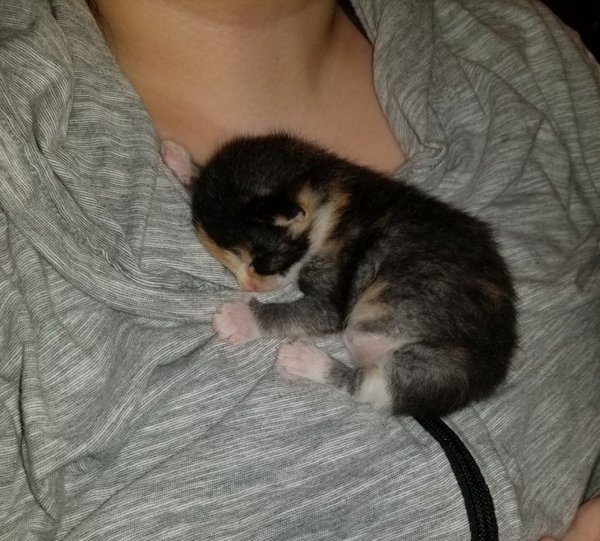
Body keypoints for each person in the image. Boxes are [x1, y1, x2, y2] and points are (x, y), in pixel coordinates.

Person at [0, 0, 598, 539]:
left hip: (419, 353)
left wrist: (260, 322)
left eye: (256, 265)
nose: (249, 284)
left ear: (299, 212)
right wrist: (197, 183)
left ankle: (343, 379)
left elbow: (326, 309)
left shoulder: (526, 48)